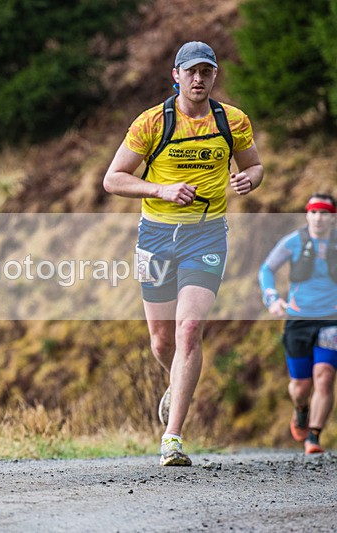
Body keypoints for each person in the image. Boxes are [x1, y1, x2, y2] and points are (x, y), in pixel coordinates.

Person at [103, 41, 264, 466]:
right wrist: (160, 189)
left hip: (207, 236)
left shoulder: (233, 121)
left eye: (206, 72)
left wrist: (249, 179)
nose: (198, 79)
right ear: (175, 75)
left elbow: (255, 165)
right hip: (155, 236)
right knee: (161, 341)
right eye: (190, 72)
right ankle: (176, 380)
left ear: (215, 76)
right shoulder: (152, 122)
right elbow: (113, 179)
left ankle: (172, 437)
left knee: (189, 328)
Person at [258, 193, 337, 454]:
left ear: (332, 217)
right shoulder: (293, 242)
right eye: (313, 212)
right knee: (301, 386)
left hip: (331, 320)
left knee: (324, 377)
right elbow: (266, 269)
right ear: (306, 215)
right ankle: (301, 409)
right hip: (298, 319)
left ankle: (313, 437)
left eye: (324, 213)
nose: (318, 218)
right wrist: (273, 299)